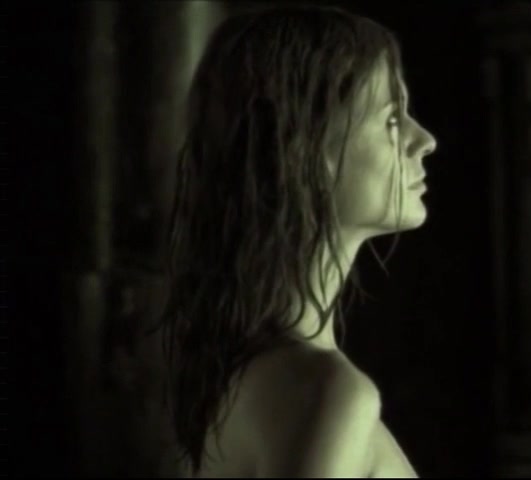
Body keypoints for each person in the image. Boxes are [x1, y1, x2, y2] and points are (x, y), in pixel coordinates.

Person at [157, 5, 437, 478]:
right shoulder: (327, 392)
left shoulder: (236, 380)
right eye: (392, 120)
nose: (424, 139)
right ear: (305, 147)